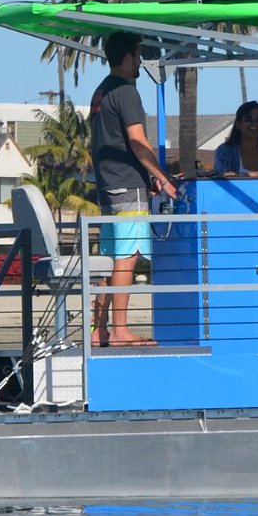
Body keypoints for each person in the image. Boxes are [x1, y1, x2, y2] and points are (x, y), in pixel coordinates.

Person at [89, 30, 178, 349]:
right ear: (127, 57)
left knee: (111, 257)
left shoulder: (101, 92)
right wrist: (163, 178)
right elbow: (137, 141)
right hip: (126, 184)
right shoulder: (126, 92)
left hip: (108, 184)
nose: (140, 61)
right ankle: (120, 329)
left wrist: (149, 175)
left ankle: (99, 329)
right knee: (128, 254)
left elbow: (110, 141)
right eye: (138, 55)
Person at [213, 101, 258, 175]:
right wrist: (250, 175)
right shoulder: (225, 151)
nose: (254, 123)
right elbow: (223, 177)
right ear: (238, 124)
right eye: (248, 118)